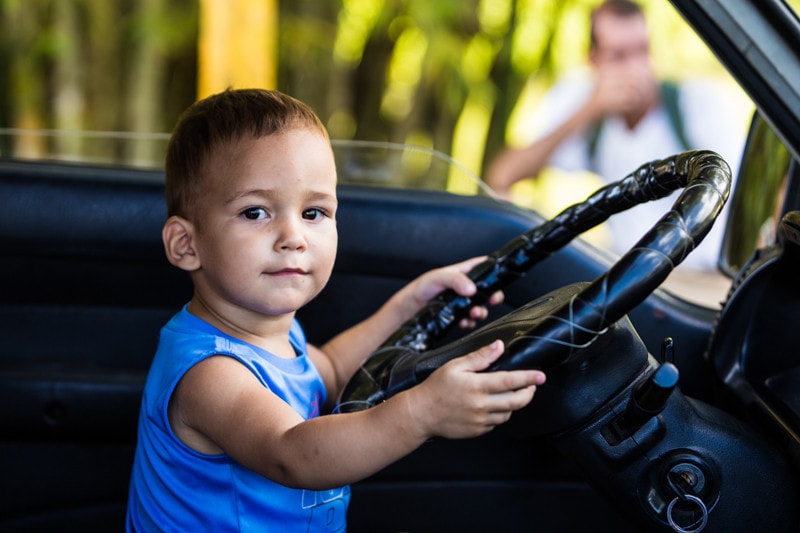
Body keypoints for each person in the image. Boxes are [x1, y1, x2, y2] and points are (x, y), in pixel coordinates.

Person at [125, 88, 546, 531]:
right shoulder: (208, 372)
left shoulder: (275, 334)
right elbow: (293, 453)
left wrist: (409, 305)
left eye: (314, 212)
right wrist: (421, 413)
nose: (293, 236)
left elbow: (327, 371)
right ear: (186, 244)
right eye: (255, 213)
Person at [486, 0, 744, 271]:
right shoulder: (584, 102)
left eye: (642, 51)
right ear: (593, 61)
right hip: (629, 272)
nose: (635, 68)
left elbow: (745, 200)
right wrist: (590, 110)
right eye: (618, 56)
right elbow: (503, 175)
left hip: (700, 276)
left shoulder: (700, 104)